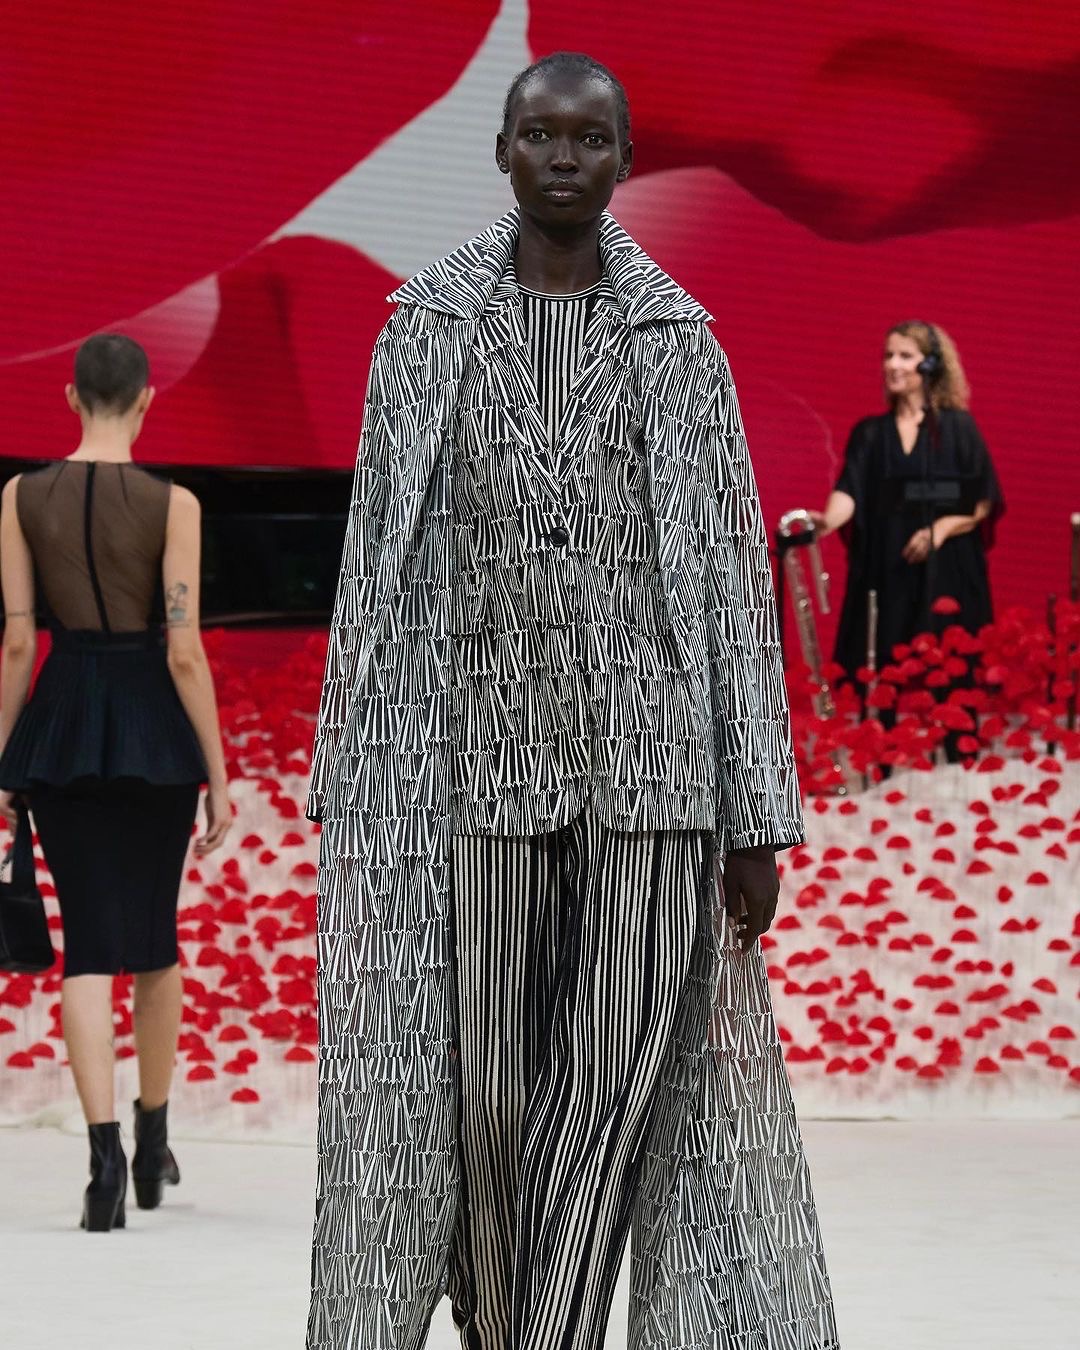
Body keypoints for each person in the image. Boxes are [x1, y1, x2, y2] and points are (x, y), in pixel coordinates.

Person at [307, 53, 838, 1350]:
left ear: (624, 159)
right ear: (500, 150)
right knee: (489, 1110)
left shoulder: (679, 341)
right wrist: (354, 767)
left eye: (589, 138)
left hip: (655, 781)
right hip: (486, 774)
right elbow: (377, 562)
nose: (562, 157)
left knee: (608, 1098)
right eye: (539, 134)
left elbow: (728, 577)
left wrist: (756, 816)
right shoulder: (426, 328)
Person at [0, 334, 232, 1232]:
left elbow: (19, 642)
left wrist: (4, 762)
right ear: (145, 400)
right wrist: (218, 774)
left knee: (90, 949)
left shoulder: (19, 497)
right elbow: (184, 650)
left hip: (61, 727)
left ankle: (102, 1165)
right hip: (153, 734)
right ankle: (152, 1144)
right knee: (156, 940)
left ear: (69, 397)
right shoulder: (175, 503)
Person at [811, 321, 1003, 682]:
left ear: (931, 365)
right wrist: (828, 521)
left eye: (905, 356)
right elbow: (850, 489)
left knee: (946, 678)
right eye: (888, 356)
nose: (892, 365)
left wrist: (940, 529)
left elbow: (981, 499)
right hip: (887, 568)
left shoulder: (959, 428)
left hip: (946, 569)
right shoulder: (870, 433)